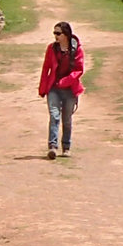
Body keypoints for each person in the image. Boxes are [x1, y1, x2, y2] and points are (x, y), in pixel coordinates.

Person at [38, 21, 86, 159]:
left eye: (58, 33)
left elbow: (79, 70)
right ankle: (52, 146)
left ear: (66, 35)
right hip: (54, 88)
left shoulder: (77, 50)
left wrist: (65, 82)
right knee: (54, 116)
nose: (55, 36)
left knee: (66, 119)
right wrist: (43, 88)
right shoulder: (51, 49)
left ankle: (66, 147)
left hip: (70, 89)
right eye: (54, 33)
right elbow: (46, 68)